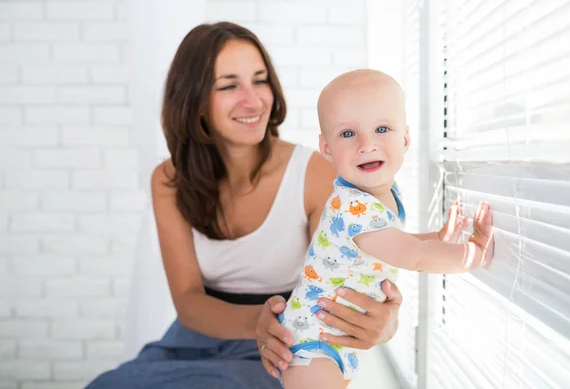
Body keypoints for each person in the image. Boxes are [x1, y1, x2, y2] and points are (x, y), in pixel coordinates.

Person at [85, 22, 403, 389]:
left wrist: (385, 320)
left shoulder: (315, 173)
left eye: (260, 79)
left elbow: (357, 265)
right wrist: (255, 321)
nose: (253, 100)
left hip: (285, 339)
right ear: (195, 100)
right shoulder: (168, 180)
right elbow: (189, 301)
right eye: (229, 85)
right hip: (194, 340)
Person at [278, 69, 494, 388]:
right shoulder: (353, 207)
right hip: (313, 340)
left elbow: (393, 244)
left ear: (405, 139)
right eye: (348, 134)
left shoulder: (379, 196)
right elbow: (414, 256)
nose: (367, 144)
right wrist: (472, 254)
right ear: (326, 148)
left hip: (335, 335)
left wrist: (438, 238)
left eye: (382, 129)